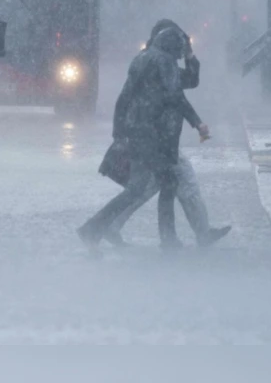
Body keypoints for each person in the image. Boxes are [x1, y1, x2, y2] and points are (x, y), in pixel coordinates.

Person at [101, 20, 230, 248]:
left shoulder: (153, 60)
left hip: (156, 136)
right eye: (180, 44)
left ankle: (112, 226)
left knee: (147, 187)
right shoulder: (159, 63)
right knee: (177, 181)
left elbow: (190, 80)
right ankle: (189, 236)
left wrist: (190, 55)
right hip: (158, 137)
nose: (181, 49)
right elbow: (176, 96)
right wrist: (197, 122)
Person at [78, 26, 191, 248]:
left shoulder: (141, 60)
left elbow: (123, 98)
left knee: (138, 188)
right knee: (167, 181)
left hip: (136, 133)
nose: (179, 54)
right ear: (172, 47)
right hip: (151, 136)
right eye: (179, 49)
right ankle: (167, 239)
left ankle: (93, 228)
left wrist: (118, 131)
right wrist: (196, 122)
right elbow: (176, 96)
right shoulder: (164, 63)